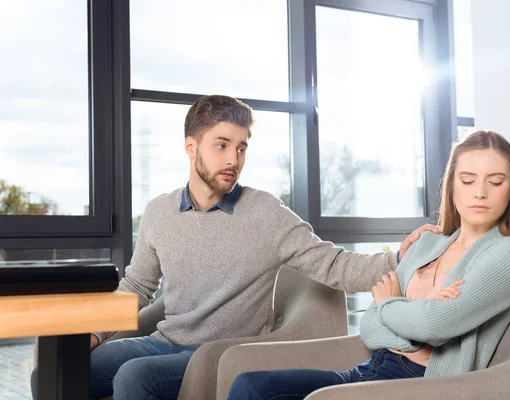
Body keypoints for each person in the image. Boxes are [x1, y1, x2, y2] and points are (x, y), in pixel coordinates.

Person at [30, 95, 438, 400]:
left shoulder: (265, 213)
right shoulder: (158, 212)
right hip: (165, 341)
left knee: (134, 378)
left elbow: (336, 266)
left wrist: (403, 257)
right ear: (191, 147)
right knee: (53, 370)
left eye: (241, 147)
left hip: (225, 350)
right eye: (221, 145)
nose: (234, 159)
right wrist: (92, 334)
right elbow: (136, 286)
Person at [227, 130, 510, 400]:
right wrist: (414, 329)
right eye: (469, 179)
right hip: (371, 369)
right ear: (452, 187)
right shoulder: (428, 243)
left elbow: (436, 326)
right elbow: (371, 327)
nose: (481, 193)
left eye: (496, 181)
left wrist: (391, 302)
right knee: (251, 386)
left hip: (419, 385)